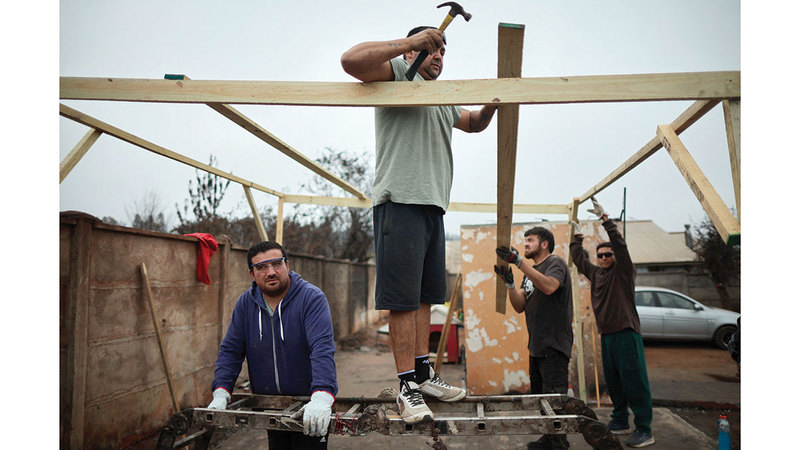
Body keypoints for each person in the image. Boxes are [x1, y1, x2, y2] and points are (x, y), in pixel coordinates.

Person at [341, 26, 498, 423]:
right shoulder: (397, 72)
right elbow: (350, 61)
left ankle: (423, 373)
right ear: (412, 54)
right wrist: (413, 43)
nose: (439, 55)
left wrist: (495, 105)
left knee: (426, 297)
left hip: (433, 207)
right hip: (400, 202)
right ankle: (406, 386)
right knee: (402, 300)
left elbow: (474, 123)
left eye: (443, 51)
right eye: (433, 49)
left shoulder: (441, 98)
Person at [207, 241, 337, 449]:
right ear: (252, 273)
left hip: (309, 405)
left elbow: (321, 348)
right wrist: (221, 390)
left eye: (276, 264)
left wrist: (322, 394)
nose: (270, 272)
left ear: (287, 264)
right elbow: (231, 350)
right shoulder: (245, 304)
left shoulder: (311, 298)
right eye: (261, 267)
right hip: (269, 406)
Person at [569, 198, 655, 448]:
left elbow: (620, 245)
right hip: (606, 335)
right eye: (601, 255)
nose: (604, 257)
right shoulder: (596, 274)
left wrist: (605, 219)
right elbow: (579, 260)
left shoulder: (623, 271)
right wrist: (577, 237)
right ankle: (620, 420)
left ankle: (645, 428)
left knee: (635, 381)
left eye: (608, 254)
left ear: (615, 256)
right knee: (614, 380)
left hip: (627, 333)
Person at [495, 227, 573, 449]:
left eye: (530, 240)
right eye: (525, 240)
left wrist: (519, 262)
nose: (525, 244)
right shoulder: (531, 272)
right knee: (542, 399)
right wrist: (510, 285)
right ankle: (549, 438)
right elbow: (520, 306)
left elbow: (549, 287)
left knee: (555, 401)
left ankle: (559, 444)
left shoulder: (555, 263)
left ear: (544, 244)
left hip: (555, 345)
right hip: (537, 346)